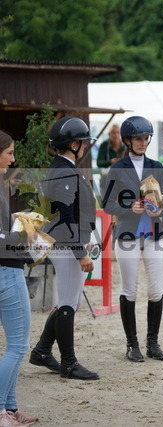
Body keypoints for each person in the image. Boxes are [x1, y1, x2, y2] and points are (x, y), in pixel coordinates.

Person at [29, 117, 100, 381]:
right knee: (69, 302)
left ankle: (42, 351)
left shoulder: (64, 168)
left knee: (70, 301)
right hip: (66, 247)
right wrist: (80, 252)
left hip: (69, 243)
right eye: (83, 142)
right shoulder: (64, 171)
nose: (85, 146)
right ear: (73, 144)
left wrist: (85, 237)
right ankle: (69, 363)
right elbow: (66, 217)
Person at [102, 116, 163, 363]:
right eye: (137, 139)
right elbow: (107, 204)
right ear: (128, 141)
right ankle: (132, 344)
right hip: (128, 236)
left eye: (145, 138)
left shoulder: (157, 166)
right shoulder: (117, 169)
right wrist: (128, 208)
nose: (142, 142)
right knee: (129, 289)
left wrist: (159, 211)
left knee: (156, 290)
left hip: (153, 235)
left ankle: (153, 342)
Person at [0, 130, 38, 426]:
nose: (13, 159)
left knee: (16, 344)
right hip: (7, 269)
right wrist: (26, 231)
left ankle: (10, 406)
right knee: (18, 346)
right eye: (9, 153)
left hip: (7, 267)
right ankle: (1, 409)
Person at [96, 124, 125, 195]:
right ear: (109, 134)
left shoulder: (125, 146)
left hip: (122, 182)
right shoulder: (104, 145)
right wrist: (110, 162)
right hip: (106, 182)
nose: (116, 135)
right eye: (113, 132)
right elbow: (99, 163)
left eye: (118, 132)